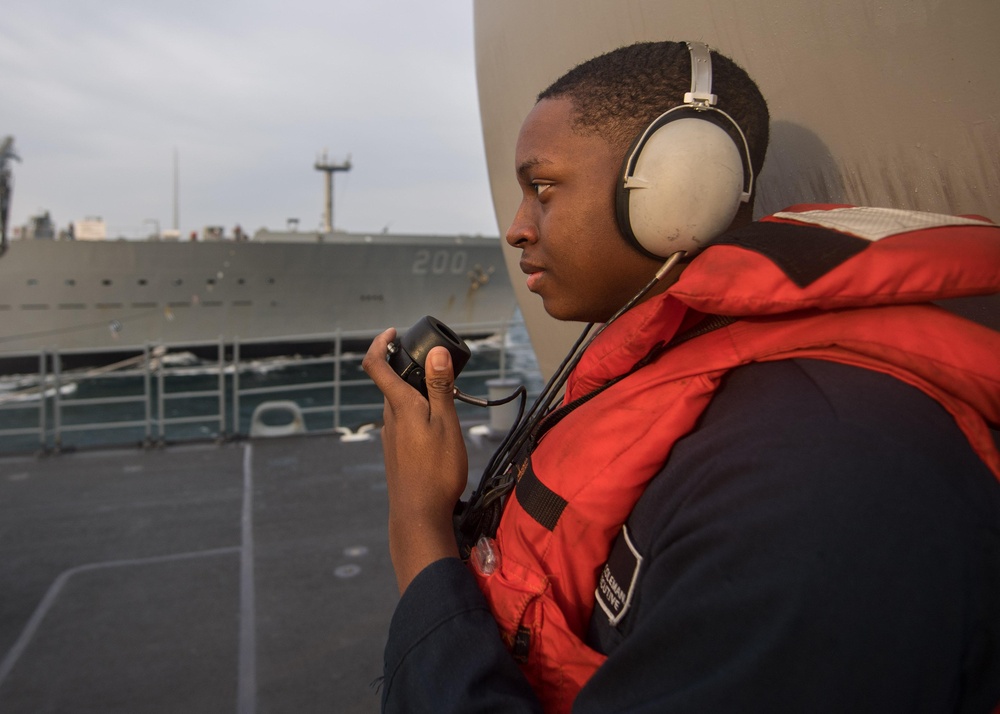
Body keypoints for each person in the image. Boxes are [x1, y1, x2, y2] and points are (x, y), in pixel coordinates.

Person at [363, 41, 1000, 713]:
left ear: (681, 186)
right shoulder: (683, 364)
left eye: (544, 188)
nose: (519, 229)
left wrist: (420, 526)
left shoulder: (818, 476)